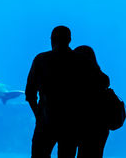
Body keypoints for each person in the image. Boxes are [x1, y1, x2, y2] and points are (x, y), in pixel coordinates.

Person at [25, 26, 108, 158]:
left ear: (51, 39)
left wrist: (39, 115)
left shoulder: (41, 60)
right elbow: (104, 82)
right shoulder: (82, 60)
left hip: (45, 122)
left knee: (39, 155)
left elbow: (30, 94)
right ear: (69, 40)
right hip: (72, 123)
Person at [74, 45, 110, 158]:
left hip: (81, 124)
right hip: (100, 125)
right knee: (96, 154)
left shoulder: (75, 79)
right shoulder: (103, 77)